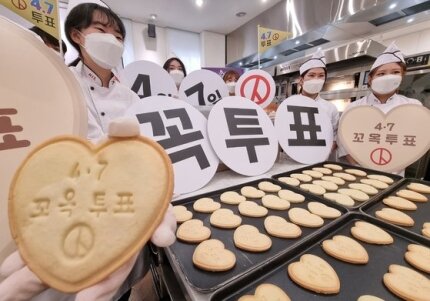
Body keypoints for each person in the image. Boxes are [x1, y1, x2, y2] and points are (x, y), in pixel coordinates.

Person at [0, 3, 176, 301]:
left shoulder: (131, 96)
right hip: (75, 208)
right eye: (102, 30)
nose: (113, 40)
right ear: (77, 35)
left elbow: (145, 156)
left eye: (119, 36)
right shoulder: (60, 87)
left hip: (127, 209)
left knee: (119, 288)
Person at [338, 42, 422, 165]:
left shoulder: (413, 107)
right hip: (358, 168)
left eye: (395, 72)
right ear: (370, 79)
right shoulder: (354, 107)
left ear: (402, 76)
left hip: (394, 171)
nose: (388, 77)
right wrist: (358, 165)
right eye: (381, 73)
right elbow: (342, 140)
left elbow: (419, 139)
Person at [298, 49, 339, 154]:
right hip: (292, 158)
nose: (316, 79)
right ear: (301, 80)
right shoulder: (289, 104)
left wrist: (325, 152)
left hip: (321, 159)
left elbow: (335, 135)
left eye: (321, 76)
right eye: (311, 75)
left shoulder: (330, 108)